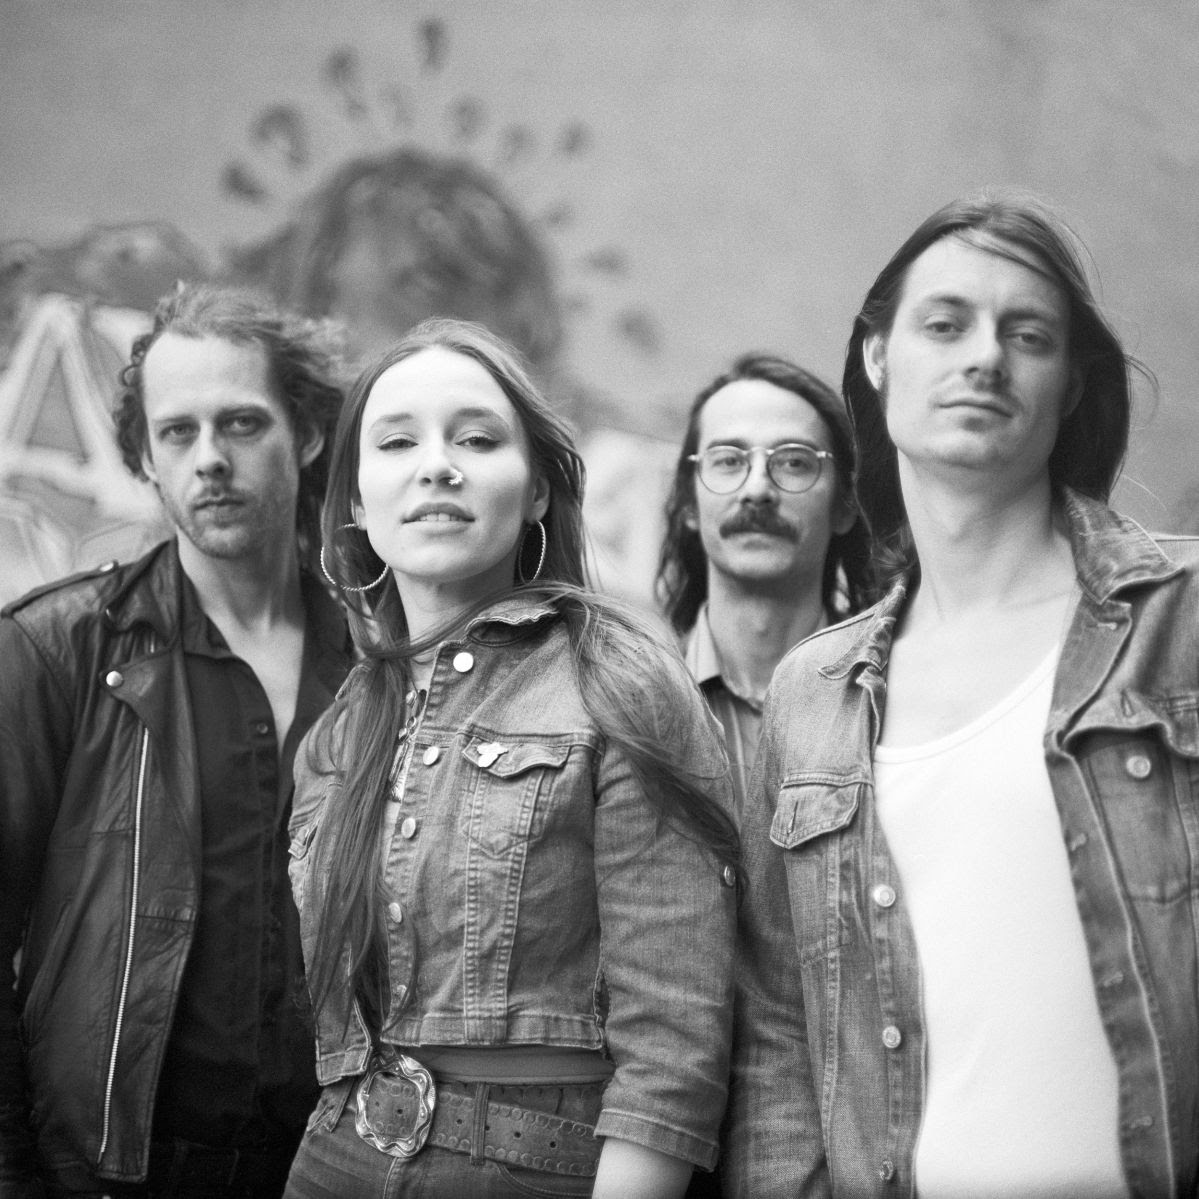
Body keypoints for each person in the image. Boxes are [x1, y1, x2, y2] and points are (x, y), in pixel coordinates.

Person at [726, 192, 1199, 1197]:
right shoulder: (811, 693)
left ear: (1070, 383)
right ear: (876, 356)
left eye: (1026, 334)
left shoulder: (1181, 617)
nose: (983, 356)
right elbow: (778, 1032)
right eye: (944, 324)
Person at [285, 318, 738, 1199]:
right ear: (356, 504)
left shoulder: (617, 682)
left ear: (536, 490)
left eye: (477, 439)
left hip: (537, 1166)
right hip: (334, 1157)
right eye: (397, 442)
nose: (436, 465)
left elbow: (674, 1042)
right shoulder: (339, 731)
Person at [0, 284, 352, 1198]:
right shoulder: (59, 648)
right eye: (177, 433)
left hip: (330, 1169)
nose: (210, 459)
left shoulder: (376, 662)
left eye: (241, 423)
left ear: (307, 435)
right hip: (116, 1173)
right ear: (147, 460)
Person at [657, 354, 870, 820]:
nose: (757, 490)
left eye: (794, 462)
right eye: (728, 460)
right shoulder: (630, 700)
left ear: (845, 505)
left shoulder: (892, 700)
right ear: (689, 501)